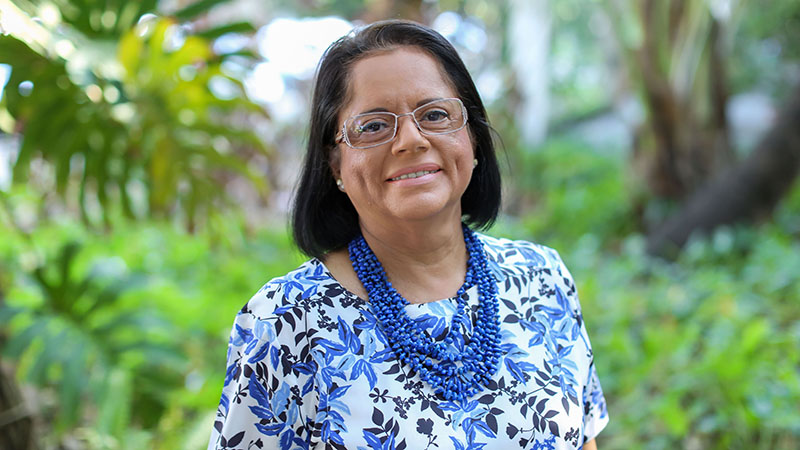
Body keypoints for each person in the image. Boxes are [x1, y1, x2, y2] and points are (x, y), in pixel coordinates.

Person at [208, 19, 608, 450]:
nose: (411, 140)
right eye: (374, 125)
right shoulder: (287, 322)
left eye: (435, 115)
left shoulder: (543, 277)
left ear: (472, 139)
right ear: (335, 164)